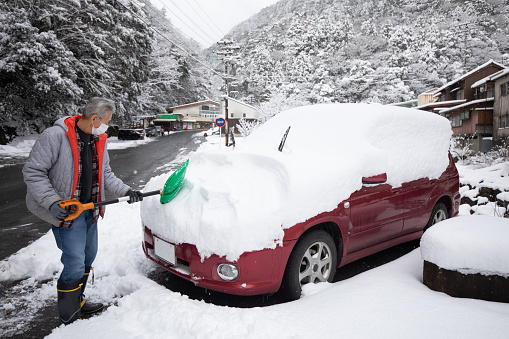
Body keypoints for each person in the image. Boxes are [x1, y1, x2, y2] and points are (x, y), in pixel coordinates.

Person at [23, 97, 143, 325]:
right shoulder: (55, 136)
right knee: (75, 262)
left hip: (90, 210)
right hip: (68, 213)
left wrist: (127, 191)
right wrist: (52, 202)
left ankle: (77, 301)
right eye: (107, 121)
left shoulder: (99, 139)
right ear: (95, 118)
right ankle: (70, 315)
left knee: (88, 257)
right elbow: (33, 172)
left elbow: (105, 174)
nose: (108, 125)